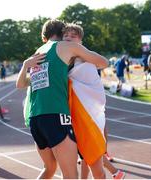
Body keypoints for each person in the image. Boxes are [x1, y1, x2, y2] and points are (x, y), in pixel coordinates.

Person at [16, 19, 108, 179]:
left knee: (49, 168)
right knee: (71, 174)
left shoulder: (38, 53)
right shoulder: (67, 47)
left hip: (35, 119)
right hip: (56, 115)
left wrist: (25, 65)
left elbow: (21, 84)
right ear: (61, 35)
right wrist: (80, 53)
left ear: (44, 37)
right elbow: (103, 62)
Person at [63, 23, 125, 179]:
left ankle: (114, 172)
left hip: (89, 107)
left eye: (73, 35)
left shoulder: (84, 55)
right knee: (85, 152)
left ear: (80, 41)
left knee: (91, 152)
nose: (69, 37)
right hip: (73, 111)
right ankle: (114, 173)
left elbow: (103, 63)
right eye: (66, 35)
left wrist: (82, 54)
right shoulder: (62, 59)